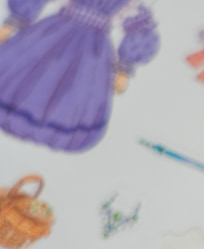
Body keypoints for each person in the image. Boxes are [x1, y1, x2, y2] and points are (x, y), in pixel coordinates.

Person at [0, 0, 159, 152]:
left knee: (75, 91)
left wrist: (124, 69)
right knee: (33, 77)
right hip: (54, 32)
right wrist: (13, 22)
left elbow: (139, 27)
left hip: (92, 51)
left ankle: (53, 132)